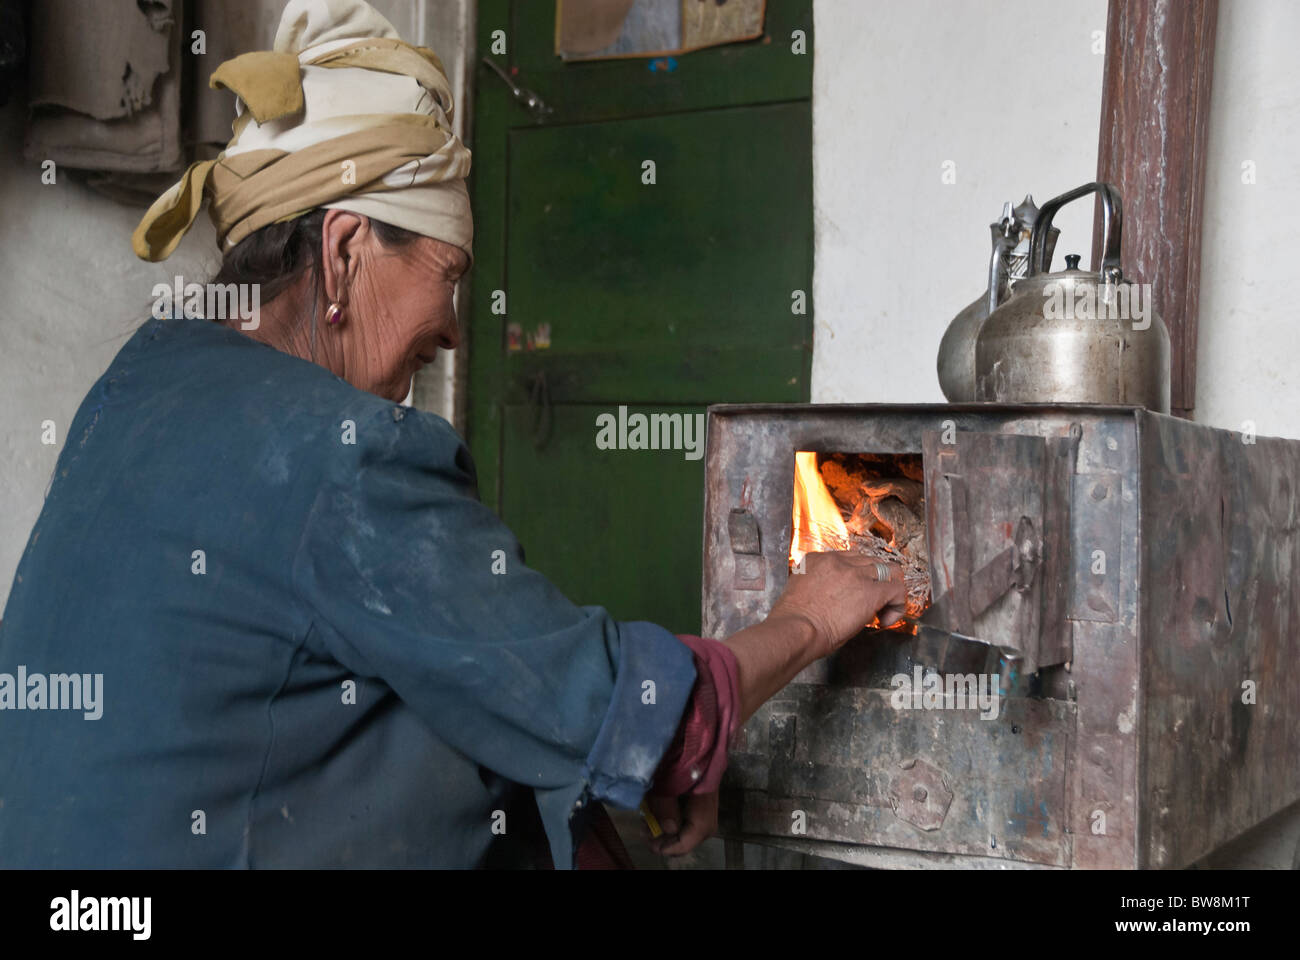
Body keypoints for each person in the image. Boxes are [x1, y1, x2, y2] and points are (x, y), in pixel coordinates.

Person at [0, 0, 905, 869]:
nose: (455, 330)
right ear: (345, 251)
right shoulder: (343, 453)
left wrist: (625, 763)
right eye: (449, 273)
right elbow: (619, 710)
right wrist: (808, 619)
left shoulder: (140, 384)